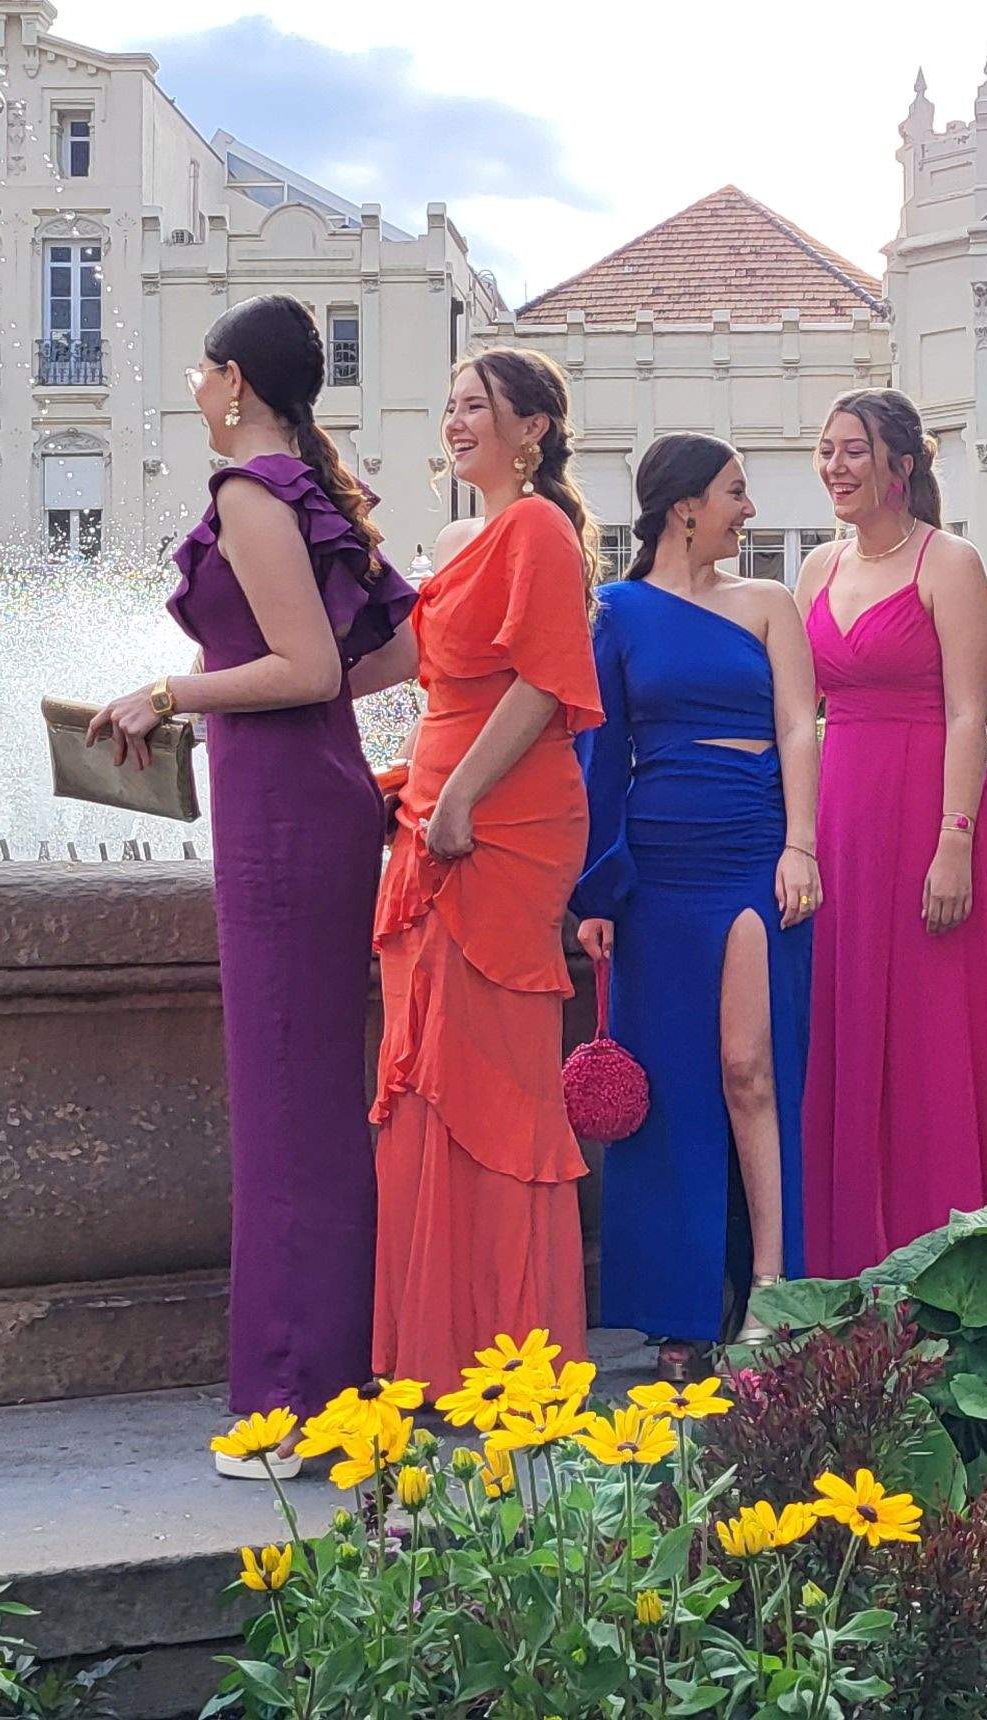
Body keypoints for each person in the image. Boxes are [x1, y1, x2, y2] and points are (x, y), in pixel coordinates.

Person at [96, 295, 415, 1477]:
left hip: (286, 815)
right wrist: (237, 693)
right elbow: (393, 652)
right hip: (305, 800)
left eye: (199, 369)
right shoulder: (306, 493)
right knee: (308, 1101)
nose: (192, 386)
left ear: (233, 382)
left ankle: (291, 1409)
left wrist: (170, 694)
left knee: (285, 1109)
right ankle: (328, 1391)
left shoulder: (252, 494)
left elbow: (308, 663)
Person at [368, 347, 603, 1391]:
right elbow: (428, 680)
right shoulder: (463, 533)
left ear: (533, 429)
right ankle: (439, 1345)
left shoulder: (539, 527)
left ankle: (510, 1353)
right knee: (429, 1083)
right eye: (451, 404)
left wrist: (457, 795)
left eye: (478, 407)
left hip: (498, 823)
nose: (456, 422)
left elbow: (548, 685)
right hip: (437, 815)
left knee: (492, 1082)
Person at [573, 434, 819, 1365]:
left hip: (756, 849)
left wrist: (801, 845)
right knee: (672, 1084)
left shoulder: (770, 604)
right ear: (683, 507)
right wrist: (597, 889)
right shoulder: (615, 612)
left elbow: (800, 724)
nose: (747, 511)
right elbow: (600, 752)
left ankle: (772, 1290)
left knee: (751, 1069)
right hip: (658, 866)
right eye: (735, 493)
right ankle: (681, 1313)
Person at [797, 388, 987, 1274]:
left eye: (853, 450)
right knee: (847, 1025)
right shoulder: (816, 572)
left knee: (935, 1039)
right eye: (826, 450)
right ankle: (849, 1258)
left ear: (901, 465)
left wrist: (953, 838)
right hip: (842, 817)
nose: (834, 466)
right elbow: (799, 715)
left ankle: (955, 1260)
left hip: (932, 814)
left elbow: (969, 714)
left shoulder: (951, 562)